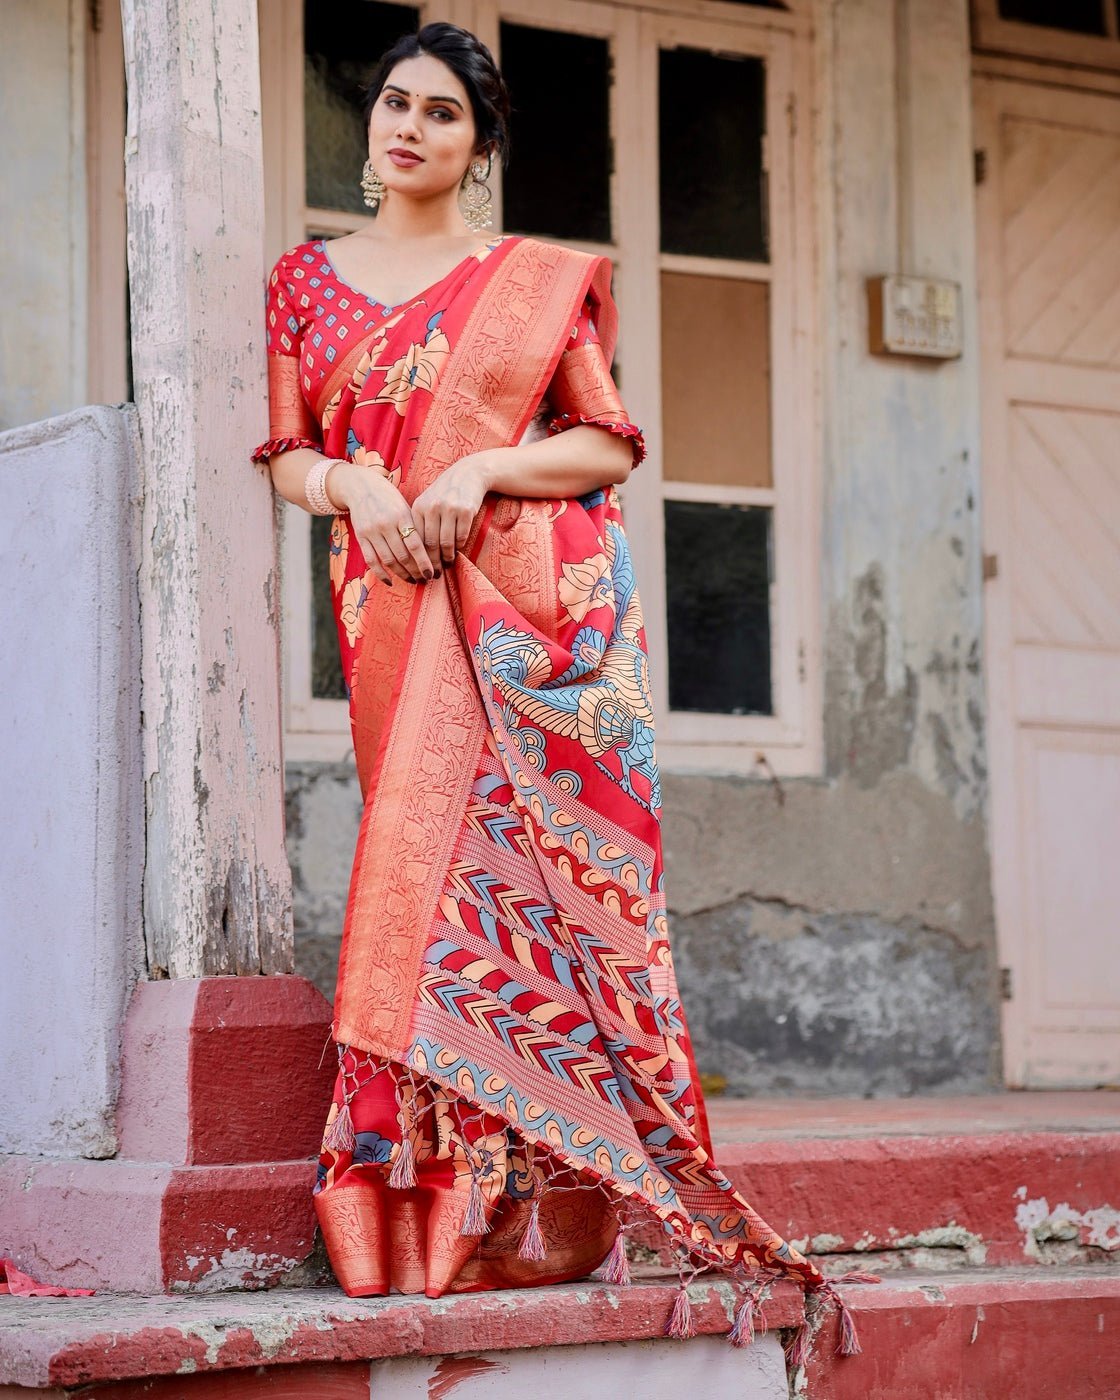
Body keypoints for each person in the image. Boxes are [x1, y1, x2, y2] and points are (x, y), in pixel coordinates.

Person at [252, 20, 869, 1355]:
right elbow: (289, 451)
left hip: (515, 617)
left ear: (479, 148)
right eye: (394, 105)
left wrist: (475, 474)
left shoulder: (528, 282)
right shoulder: (304, 281)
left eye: (442, 115)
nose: (408, 127)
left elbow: (606, 439)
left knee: (516, 893)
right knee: (414, 893)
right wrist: (357, 483)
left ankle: (520, 1210)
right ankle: (411, 1210)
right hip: (393, 604)